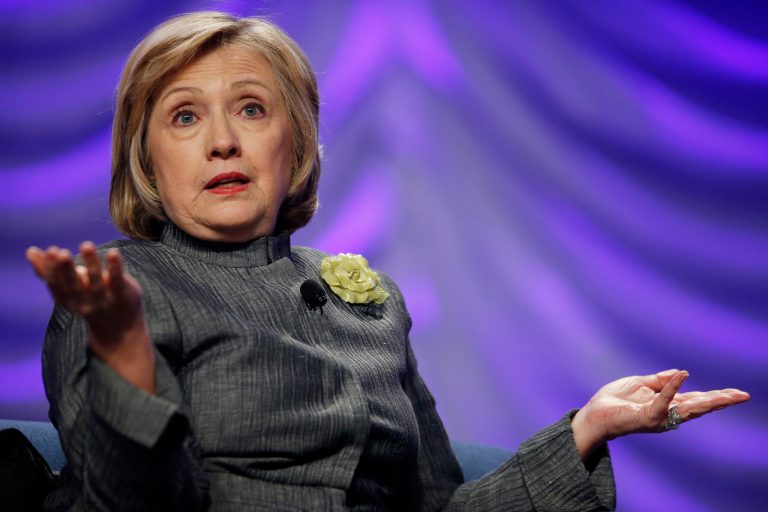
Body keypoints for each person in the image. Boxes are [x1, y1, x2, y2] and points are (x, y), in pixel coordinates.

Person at [25, 11, 750, 512]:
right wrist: (122, 350)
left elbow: (440, 505)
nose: (222, 141)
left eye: (251, 109)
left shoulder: (370, 305)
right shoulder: (120, 293)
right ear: (147, 159)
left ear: (298, 145)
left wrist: (587, 428)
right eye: (185, 116)